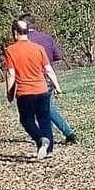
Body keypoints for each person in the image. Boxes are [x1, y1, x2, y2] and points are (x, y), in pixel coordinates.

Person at [15, 15, 78, 144]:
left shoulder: (22, 42)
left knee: (44, 111)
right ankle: (59, 135)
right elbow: (57, 56)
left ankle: (64, 134)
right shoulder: (47, 38)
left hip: (31, 80)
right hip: (48, 77)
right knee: (45, 108)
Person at [2, 19, 60, 159]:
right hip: (42, 89)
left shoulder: (10, 50)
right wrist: (57, 86)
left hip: (24, 92)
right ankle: (49, 150)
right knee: (44, 119)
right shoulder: (38, 48)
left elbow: (11, 74)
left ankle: (40, 139)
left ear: (15, 33)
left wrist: (9, 92)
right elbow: (48, 69)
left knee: (26, 120)